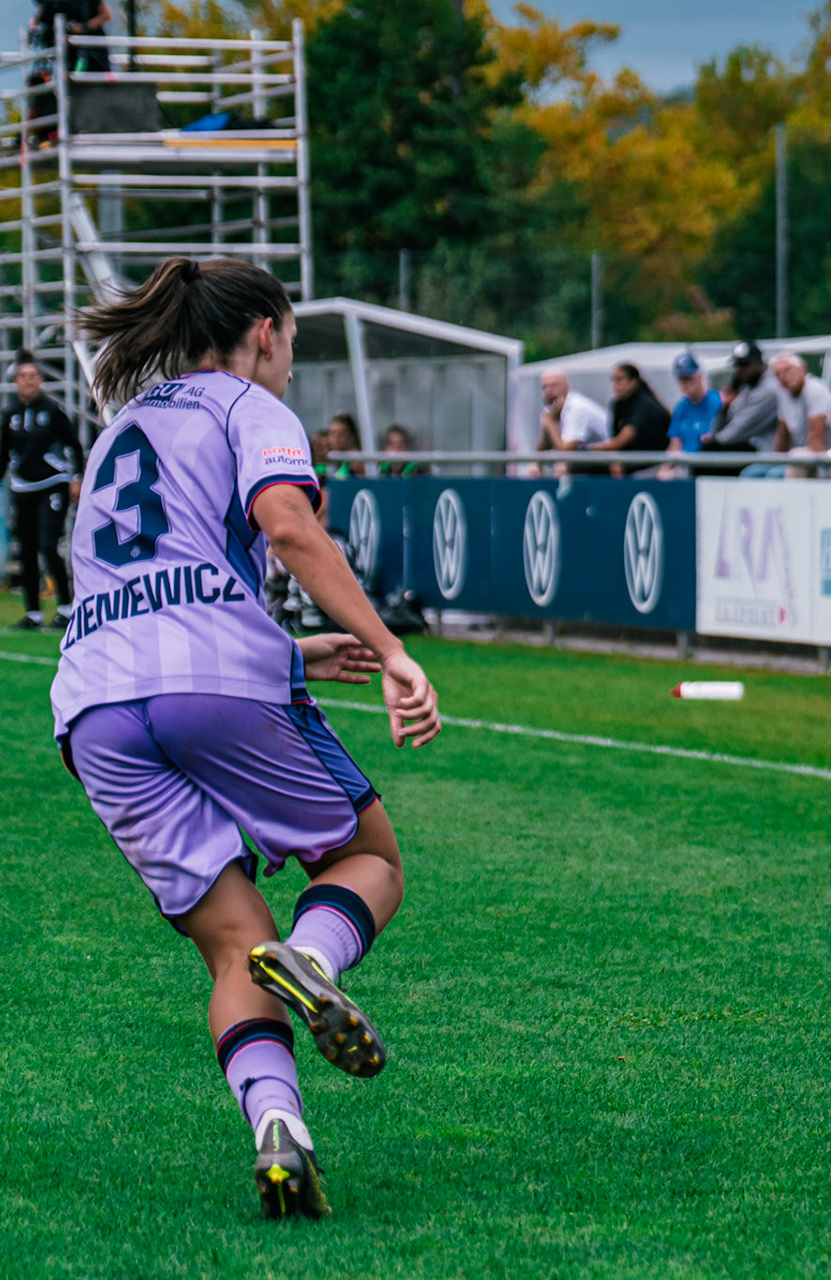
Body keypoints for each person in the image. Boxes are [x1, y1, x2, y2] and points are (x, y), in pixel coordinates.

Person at [55, 256, 442, 1218]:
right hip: (211, 681)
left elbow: (151, 582)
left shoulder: (119, 433)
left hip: (96, 705)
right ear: (263, 331)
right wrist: (387, 645)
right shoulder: (244, 403)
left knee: (236, 950)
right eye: (293, 344)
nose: (290, 366)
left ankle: (280, 1129)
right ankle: (315, 959)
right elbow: (288, 527)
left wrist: (288, 652)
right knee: (367, 858)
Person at [1, 351, 81, 629]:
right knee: (27, 549)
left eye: (33, 376)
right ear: (15, 382)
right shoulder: (9, 414)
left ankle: (66, 608)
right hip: (23, 488)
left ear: (41, 380)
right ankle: (33, 612)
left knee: (49, 546)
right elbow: (4, 454)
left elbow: (73, 445)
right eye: (23, 377)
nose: (28, 381)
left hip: (52, 484)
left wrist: (77, 478)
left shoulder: (52, 411)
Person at [706, 341, 782, 454]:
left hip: (767, 454)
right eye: (737, 365)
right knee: (708, 449)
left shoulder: (769, 390)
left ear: (760, 363)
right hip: (751, 452)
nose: (740, 370)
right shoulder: (747, 388)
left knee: (709, 450)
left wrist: (711, 441)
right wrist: (724, 409)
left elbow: (731, 435)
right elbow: (719, 431)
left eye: (745, 364)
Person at [598, 362, 671, 476]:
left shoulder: (645, 405)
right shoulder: (618, 405)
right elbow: (615, 439)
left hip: (653, 461)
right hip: (632, 459)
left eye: (619, 379)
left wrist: (588, 450)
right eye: (612, 380)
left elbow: (622, 440)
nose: (614, 385)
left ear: (633, 381)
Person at [533, 370, 609, 472]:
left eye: (554, 386)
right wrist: (547, 424)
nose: (548, 391)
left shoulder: (576, 406)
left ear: (567, 387)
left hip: (610, 459)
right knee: (533, 467)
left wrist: (550, 423)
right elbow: (540, 450)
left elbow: (565, 452)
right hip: (587, 456)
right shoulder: (552, 411)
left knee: (561, 467)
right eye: (544, 387)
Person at [769, 351, 831, 453]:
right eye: (777, 374)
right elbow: (782, 434)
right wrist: (776, 461)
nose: (783, 376)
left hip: (820, 455)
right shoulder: (783, 393)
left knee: (797, 455)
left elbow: (816, 441)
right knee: (754, 469)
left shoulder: (815, 389)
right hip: (800, 454)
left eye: (787, 370)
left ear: (803, 368)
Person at [666, 351, 717, 456]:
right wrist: (667, 466)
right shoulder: (681, 406)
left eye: (688, 378)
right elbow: (675, 443)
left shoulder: (716, 401)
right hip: (684, 464)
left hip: (708, 462)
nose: (685, 383)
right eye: (681, 379)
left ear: (700, 376)